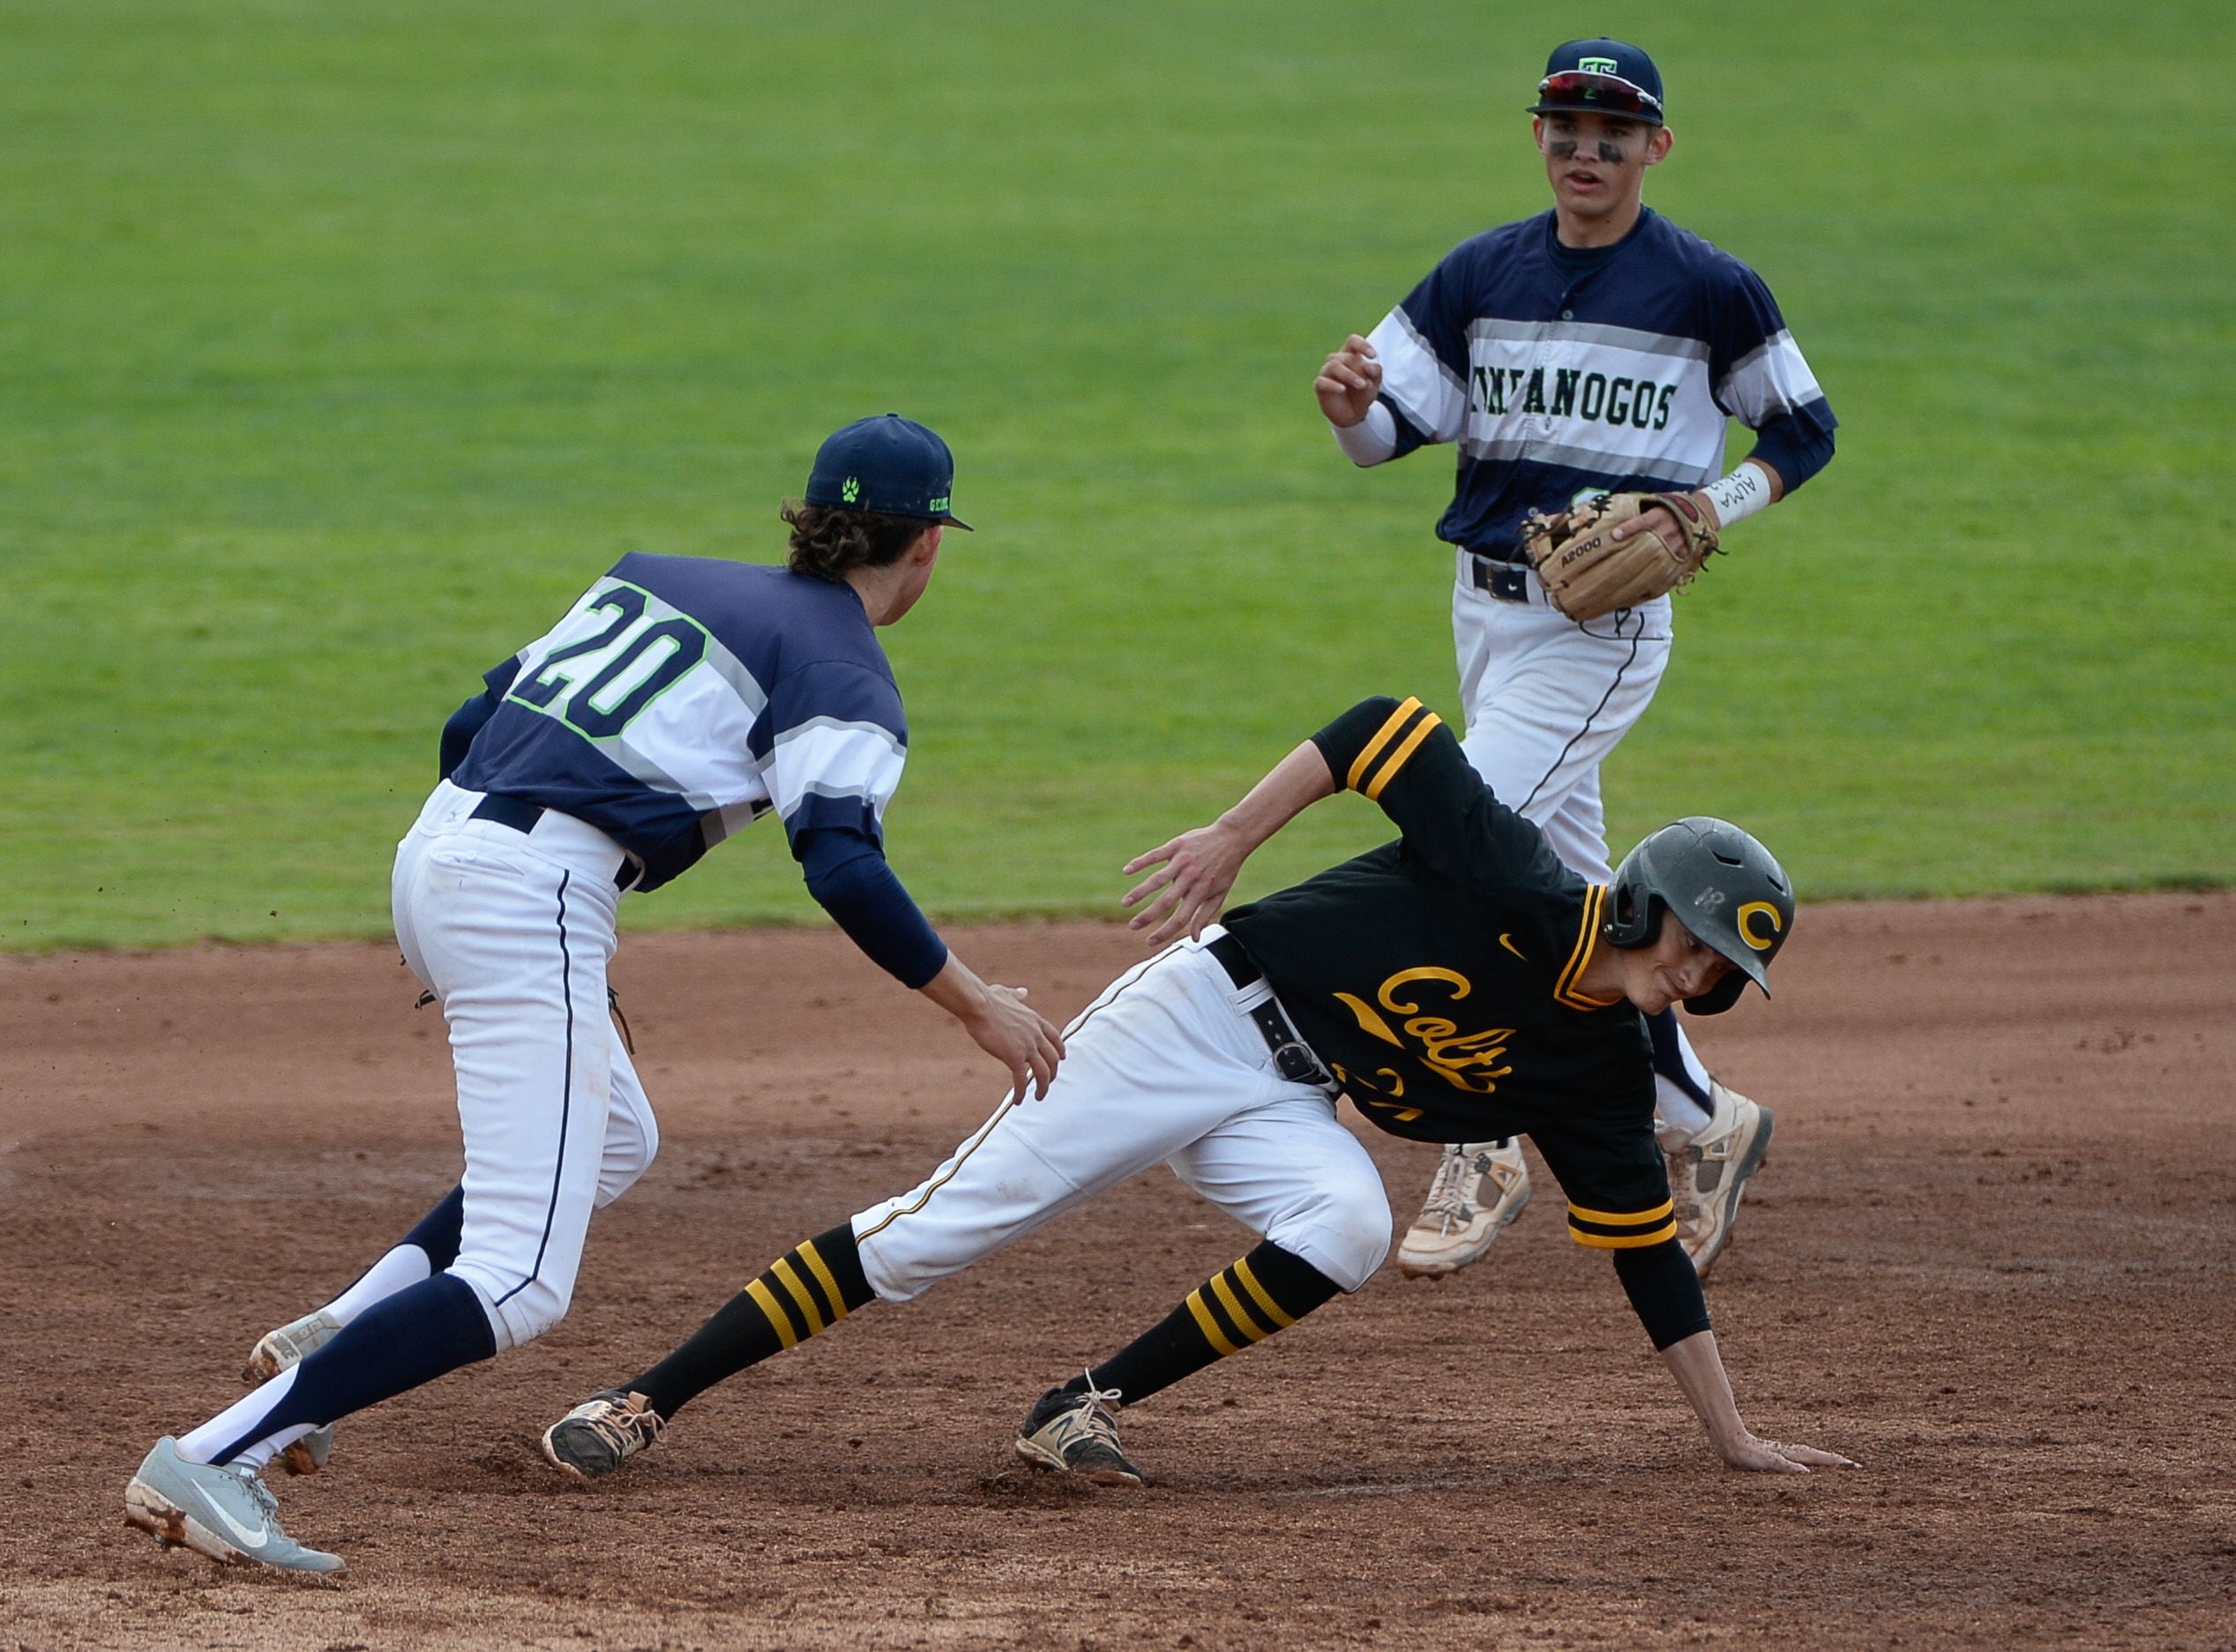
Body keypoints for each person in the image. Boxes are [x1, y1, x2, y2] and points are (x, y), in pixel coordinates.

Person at [122, 415, 1066, 1573]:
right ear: (926, 549)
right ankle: (219, 1456)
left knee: (615, 1130)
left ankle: (355, 1322)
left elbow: (471, 724)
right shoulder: (843, 674)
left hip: (441, 846)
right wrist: (976, 1003)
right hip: (530, 891)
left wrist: (490, 927)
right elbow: (842, 859)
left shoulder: (656, 580)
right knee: (520, 1280)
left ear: (813, 518)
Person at [535, 693, 1851, 1489]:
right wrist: (1231, 834)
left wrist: (1733, 1434)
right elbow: (1375, 733)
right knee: (938, 1230)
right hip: (1195, 1018)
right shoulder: (1517, 878)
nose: (1698, 979)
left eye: (1721, 972)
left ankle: (1080, 1407)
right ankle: (643, 1397)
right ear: (1644, 904)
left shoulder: (1598, 1067)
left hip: (1293, 1098)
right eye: (1696, 945)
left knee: (1344, 1225)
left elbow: (1645, 1257)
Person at [1313, 38, 1837, 1280]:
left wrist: (1719, 502)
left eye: (1613, 129)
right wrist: (1349, 408)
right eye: (1565, 124)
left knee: (1462, 837)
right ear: (1538, 135)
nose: (1586, 148)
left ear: (1656, 146)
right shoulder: (1479, 273)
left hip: (1599, 632)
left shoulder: (1709, 287)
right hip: (1484, 612)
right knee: (1576, 902)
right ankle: (1705, 1123)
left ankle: (1484, 1129)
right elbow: (1392, 429)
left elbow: (1806, 425)